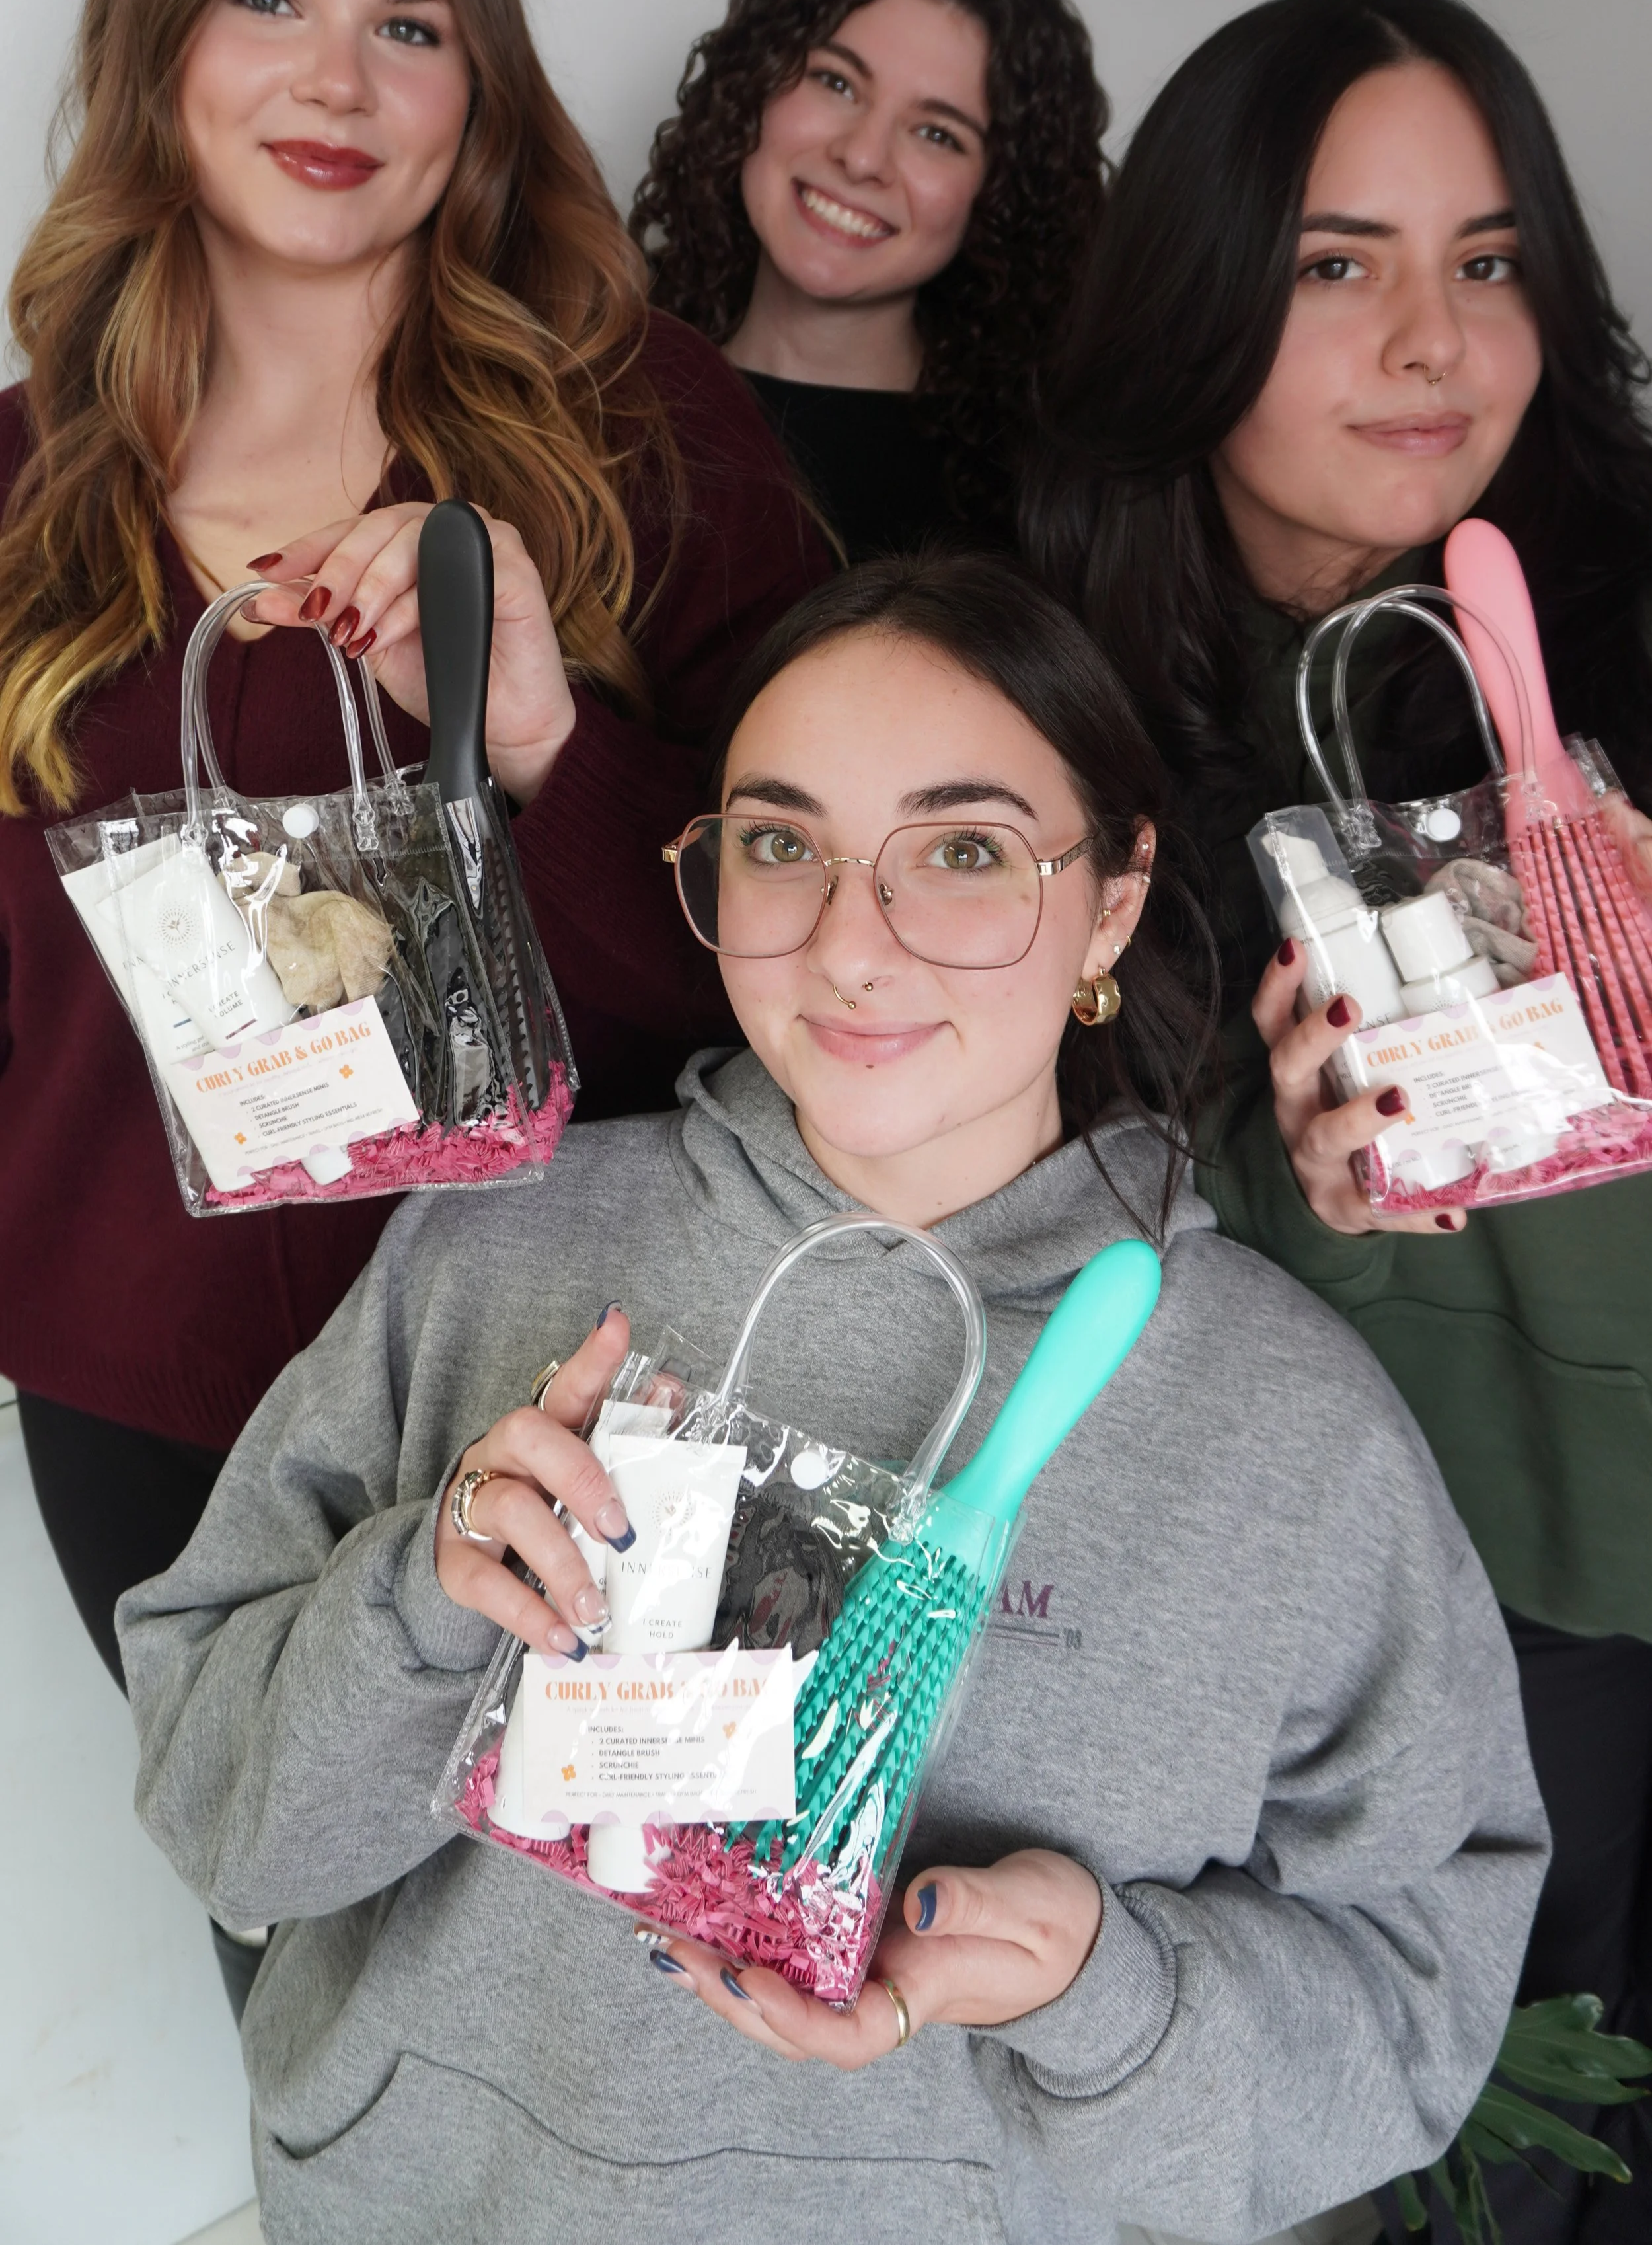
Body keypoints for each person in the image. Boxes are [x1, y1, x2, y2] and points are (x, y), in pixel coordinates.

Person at [120, 554, 1544, 2244]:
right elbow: (222, 1817)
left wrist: (1096, 1985)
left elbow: (1416, 1989)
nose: (853, 947)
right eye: (782, 844)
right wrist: (422, 1603)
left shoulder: (1290, 1432)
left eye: (961, 852)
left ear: (1109, 900)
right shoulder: (496, 1248)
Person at [0, 0, 829, 1741]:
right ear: (158, 35)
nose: (337, 85)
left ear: (477, 91)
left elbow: (839, 926)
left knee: (628, 1997)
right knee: (299, 1979)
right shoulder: (18, 497)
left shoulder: (645, 427)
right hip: (154, 1412)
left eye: (411, 27)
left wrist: (542, 740)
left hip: (598, 1380)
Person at [1024, 0, 1652, 2239]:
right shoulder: (1038, 697)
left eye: (1489, 260)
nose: (1436, 341)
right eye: (1334, 262)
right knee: (1467, 2087)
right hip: (1339, 1591)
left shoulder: (1608, 630)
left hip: (1615, 1528)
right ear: (1198, 295)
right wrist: (1254, 1169)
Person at [630, 0, 1108, 558]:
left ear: (1000, 197)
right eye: (836, 82)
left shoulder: (1044, 501)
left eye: (938, 133)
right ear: (753, 87)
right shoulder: (593, 383)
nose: (861, 158)